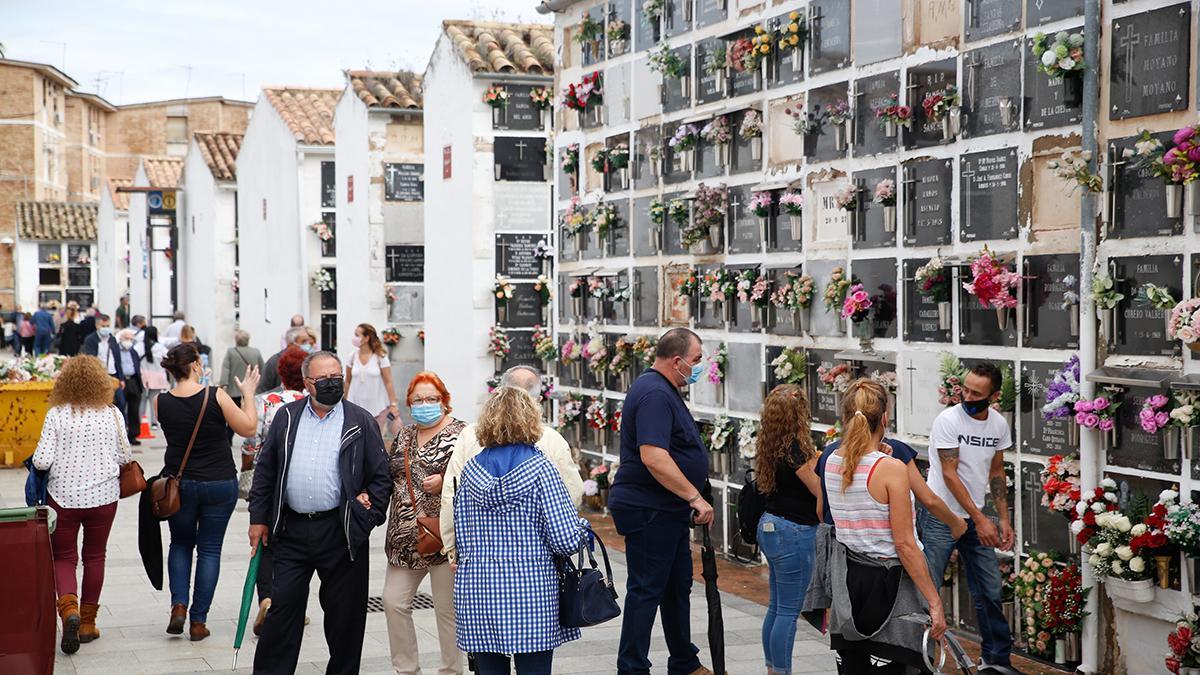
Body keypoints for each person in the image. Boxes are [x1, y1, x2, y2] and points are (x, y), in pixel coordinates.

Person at [248, 350, 391, 675]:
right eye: (324, 379)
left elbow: (381, 477)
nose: (332, 383)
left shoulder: (360, 420)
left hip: (340, 533)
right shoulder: (286, 417)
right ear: (308, 382)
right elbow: (266, 470)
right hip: (291, 532)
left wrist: (365, 518)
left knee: (345, 619)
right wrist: (258, 518)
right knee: (281, 612)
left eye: (336, 377)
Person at [453, 386, 587, 674]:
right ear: (530, 419)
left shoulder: (470, 471)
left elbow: (462, 537)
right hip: (530, 588)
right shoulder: (542, 470)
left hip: (478, 588)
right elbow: (565, 540)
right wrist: (582, 530)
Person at [820, 378, 946, 672]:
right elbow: (904, 544)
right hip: (888, 585)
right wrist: (934, 601)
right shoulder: (891, 469)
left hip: (849, 582)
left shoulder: (830, 459)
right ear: (885, 418)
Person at [608, 328, 714, 675]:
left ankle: (684, 661)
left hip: (665, 509)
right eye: (696, 360)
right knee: (647, 589)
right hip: (650, 509)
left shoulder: (663, 389)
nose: (699, 367)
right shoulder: (654, 393)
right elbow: (654, 456)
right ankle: (632, 667)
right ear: (677, 361)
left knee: (675, 586)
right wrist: (694, 496)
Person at [156, 343, 259, 641]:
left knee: (180, 544)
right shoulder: (216, 395)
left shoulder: (160, 402)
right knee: (210, 549)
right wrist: (249, 394)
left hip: (179, 483)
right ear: (196, 365)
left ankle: (178, 606)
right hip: (218, 482)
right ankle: (198, 622)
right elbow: (249, 428)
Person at [32, 355, 133, 655]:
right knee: (95, 556)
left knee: (63, 557)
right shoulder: (112, 413)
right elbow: (125, 456)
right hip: (103, 499)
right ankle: (88, 624)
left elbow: (41, 460)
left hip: (63, 498)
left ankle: (69, 611)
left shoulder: (57, 415)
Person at [923, 362, 1015, 671]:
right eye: (965, 388)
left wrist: (1002, 518)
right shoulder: (948, 420)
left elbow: (997, 471)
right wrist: (979, 517)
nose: (967, 395)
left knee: (989, 590)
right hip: (940, 514)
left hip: (975, 516)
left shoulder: (999, 425)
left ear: (994, 395)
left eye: (976, 392)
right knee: (928, 588)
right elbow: (949, 474)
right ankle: (918, 658)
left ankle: (995, 661)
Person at [440, 365, 584, 559]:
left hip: (478, 565)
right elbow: (572, 494)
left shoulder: (469, 439)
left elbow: (451, 495)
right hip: (536, 562)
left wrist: (452, 548)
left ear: (497, 396)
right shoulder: (551, 442)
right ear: (538, 402)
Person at [382, 371, 464, 675]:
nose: (425, 404)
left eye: (432, 398)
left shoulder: (462, 434)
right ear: (409, 403)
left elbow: (477, 476)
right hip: (404, 538)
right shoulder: (404, 434)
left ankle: (451, 671)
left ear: (444, 401)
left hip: (444, 538)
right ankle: (407, 669)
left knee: (447, 611)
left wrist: (446, 480)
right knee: (393, 602)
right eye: (418, 400)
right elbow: (391, 476)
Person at [239, 345, 308, 635]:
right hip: (303, 483)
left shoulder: (266, 401)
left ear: (280, 372)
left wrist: (247, 470)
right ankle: (293, 605)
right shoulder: (313, 402)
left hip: (269, 482)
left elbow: (250, 443)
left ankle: (267, 597)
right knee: (299, 548)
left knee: (265, 543)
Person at [754, 384, 821, 675]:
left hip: (771, 526)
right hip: (793, 532)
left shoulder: (771, 441)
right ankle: (780, 672)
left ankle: (772, 669)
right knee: (788, 612)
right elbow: (819, 490)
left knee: (776, 606)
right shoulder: (794, 448)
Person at [344, 323, 400, 434]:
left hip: (377, 407)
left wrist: (393, 404)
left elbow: (388, 382)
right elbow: (347, 381)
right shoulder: (351, 357)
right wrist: (344, 402)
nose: (354, 338)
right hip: (355, 406)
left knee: (375, 440)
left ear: (366, 338)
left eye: (357, 335)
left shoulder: (381, 357)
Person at [220, 329, 265, 442]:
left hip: (234, 389)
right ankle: (252, 437)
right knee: (251, 412)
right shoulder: (256, 352)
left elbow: (226, 368)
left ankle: (228, 437)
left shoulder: (231, 352)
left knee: (233, 415)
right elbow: (262, 368)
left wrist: (223, 384)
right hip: (251, 389)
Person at [81, 314, 130, 414]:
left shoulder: (112, 339)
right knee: (100, 403)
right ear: (97, 326)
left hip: (113, 375)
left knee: (121, 402)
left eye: (108, 326)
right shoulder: (90, 340)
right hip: (99, 376)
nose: (106, 328)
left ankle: (121, 426)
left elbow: (117, 359)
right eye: (103, 326)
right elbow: (91, 360)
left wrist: (121, 378)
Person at [258, 326, 315, 394]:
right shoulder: (274, 362)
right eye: (304, 342)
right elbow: (263, 389)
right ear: (291, 343)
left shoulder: (308, 361)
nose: (308, 345)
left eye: (308, 341)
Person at [113, 329, 143, 445]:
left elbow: (136, 366)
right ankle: (120, 436)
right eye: (127, 338)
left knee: (134, 409)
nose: (129, 341)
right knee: (120, 407)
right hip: (121, 380)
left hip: (133, 380)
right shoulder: (116, 351)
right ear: (121, 339)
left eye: (131, 339)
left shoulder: (133, 351)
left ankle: (133, 435)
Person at [137, 326, 169, 429]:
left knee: (141, 399)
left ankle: (140, 421)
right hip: (157, 376)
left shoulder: (138, 346)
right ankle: (154, 423)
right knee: (154, 400)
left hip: (142, 376)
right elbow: (168, 358)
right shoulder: (160, 347)